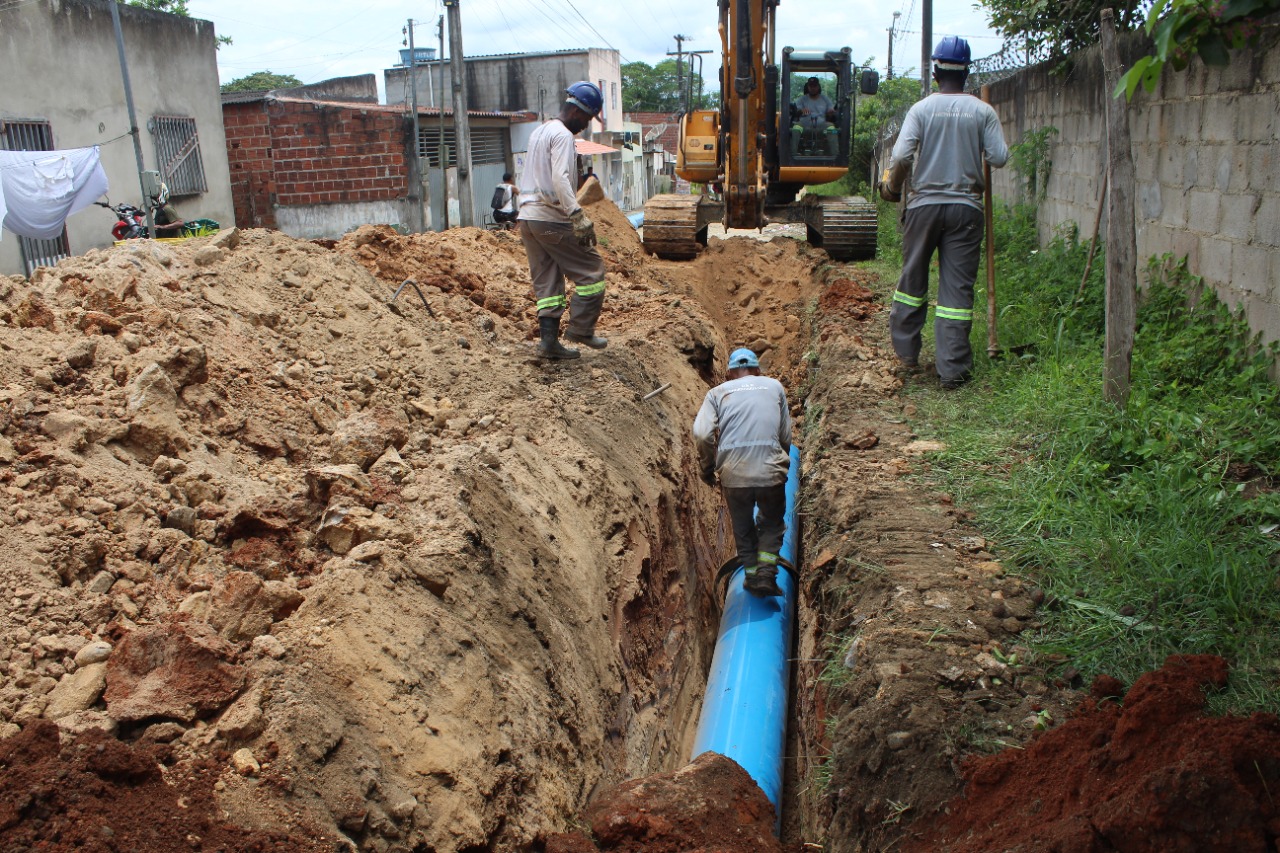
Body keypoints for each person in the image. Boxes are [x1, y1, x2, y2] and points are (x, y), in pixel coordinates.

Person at [880, 36, 1009, 389]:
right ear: (966, 72)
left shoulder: (921, 110)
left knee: (912, 282)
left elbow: (903, 156)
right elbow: (998, 157)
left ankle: (906, 356)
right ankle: (951, 370)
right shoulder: (983, 111)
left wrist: (893, 187)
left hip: (923, 206)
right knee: (956, 293)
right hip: (967, 208)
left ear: (935, 70)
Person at [517, 81, 609, 360]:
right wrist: (576, 214)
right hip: (550, 218)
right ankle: (581, 329)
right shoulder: (563, 136)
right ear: (579, 112)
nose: (585, 125)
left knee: (547, 280)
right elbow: (560, 178)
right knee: (592, 271)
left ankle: (548, 343)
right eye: (588, 118)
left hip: (527, 217)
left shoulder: (540, 131)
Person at [693, 348, 793, 598]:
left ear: (729, 373)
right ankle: (767, 574)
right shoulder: (774, 386)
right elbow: (785, 435)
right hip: (770, 470)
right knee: (772, 524)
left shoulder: (717, 393)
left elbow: (702, 434)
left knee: (743, 527)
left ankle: (750, 576)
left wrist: (707, 468)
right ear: (758, 370)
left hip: (733, 473)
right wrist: (780, 463)